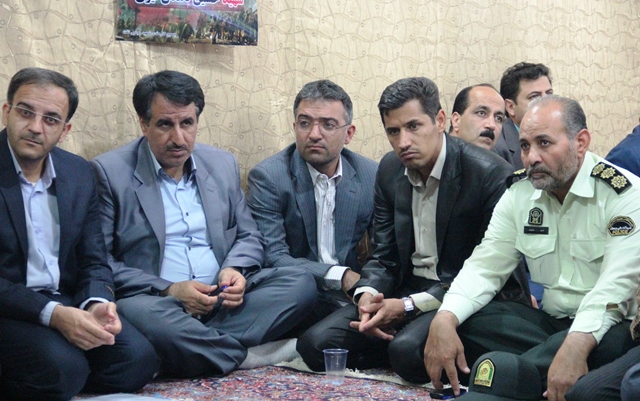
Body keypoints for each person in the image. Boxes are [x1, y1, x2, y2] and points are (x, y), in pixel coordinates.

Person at [297, 77, 530, 383]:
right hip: (406, 290)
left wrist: (408, 307)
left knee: (407, 352)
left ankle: (402, 345)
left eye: (413, 126)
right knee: (315, 345)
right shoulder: (390, 169)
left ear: (440, 120)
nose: (403, 142)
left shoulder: (489, 173)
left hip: (465, 295)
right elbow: (384, 256)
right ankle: (395, 341)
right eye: (393, 131)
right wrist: (367, 296)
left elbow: (485, 272)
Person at [90, 70, 316, 378]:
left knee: (300, 282)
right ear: (143, 124)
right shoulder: (109, 172)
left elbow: (249, 235)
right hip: (159, 302)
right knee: (138, 313)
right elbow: (100, 261)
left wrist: (234, 269)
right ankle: (245, 356)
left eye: (187, 123)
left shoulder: (221, 163)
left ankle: (191, 349)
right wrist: (170, 289)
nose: (178, 138)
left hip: (223, 300)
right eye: (165, 124)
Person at [425, 95, 640, 401]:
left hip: (605, 327)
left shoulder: (624, 194)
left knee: (616, 343)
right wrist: (445, 318)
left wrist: (576, 346)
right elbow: (485, 266)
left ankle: (506, 377)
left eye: (544, 143)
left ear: (580, 142)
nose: (531, 158)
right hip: (547, 324)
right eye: (525, 146)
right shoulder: (520, 192)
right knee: (470, 320)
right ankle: (535, 372)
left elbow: (615, 288)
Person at [0, 67, 158, 401]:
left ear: (65, 130)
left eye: (51, 119)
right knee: (64, 369)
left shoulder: (78, 172)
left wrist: (96, 302)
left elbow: (94, 259)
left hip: (65, 299)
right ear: (6, 111)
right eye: (25, 112)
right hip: (8, 307)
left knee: (137, 360)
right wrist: (53, 316)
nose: (35, 127)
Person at [247, 80, 378, 330]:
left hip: (350, 295)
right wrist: (340, 275)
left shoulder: (370, 175)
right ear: (295, 127)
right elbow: (273, 257)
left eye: (328, 125)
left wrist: (370, 290)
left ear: (349, 134)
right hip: (297, 293)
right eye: (305, 123)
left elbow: (383, 251)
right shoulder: (269, 177)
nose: (314, 134)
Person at [494, 62, 554, 169]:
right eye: (534, 97)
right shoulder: (496, 148)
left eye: (549, 94)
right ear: (511, 107)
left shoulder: (564, 135)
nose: (546, 102)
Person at [449, 83, 506, 152]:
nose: (492, 125)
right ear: (456, 120)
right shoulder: (439, 156)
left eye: (498, 118)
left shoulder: (499, 158)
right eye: (481, 113)